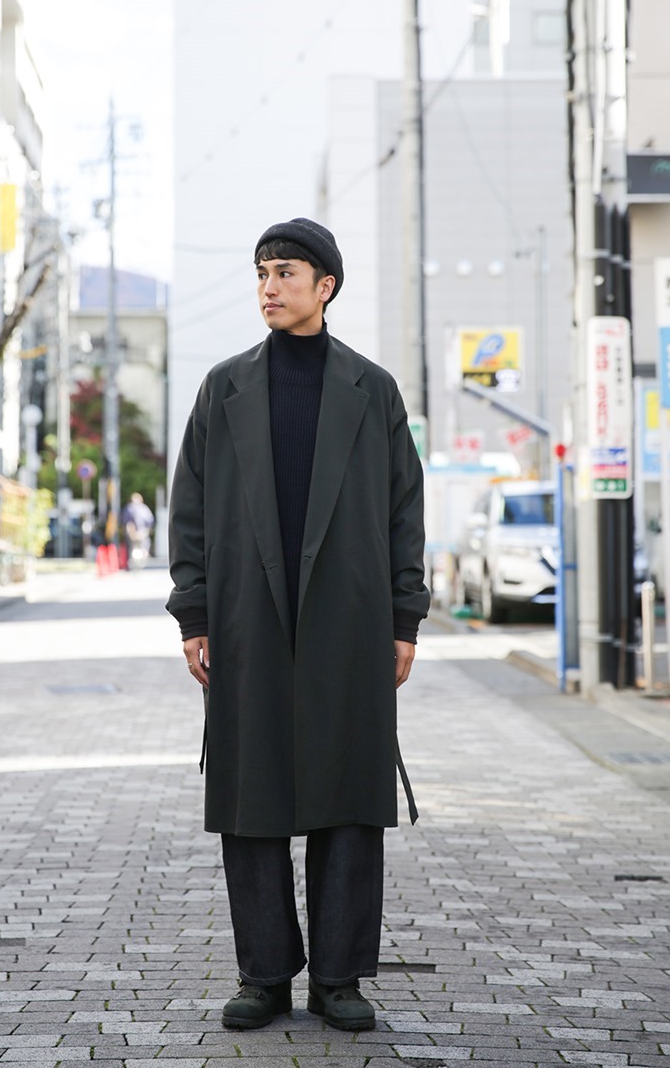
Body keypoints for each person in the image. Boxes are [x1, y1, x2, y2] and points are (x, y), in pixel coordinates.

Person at [166, 217, 429, 1032]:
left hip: (351, 622)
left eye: (284, 271)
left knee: (347, 796)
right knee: (252, 797)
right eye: (261, 272)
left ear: (326, 286)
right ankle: (265, 974)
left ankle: (339, 978)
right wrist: (194, 611)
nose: (269, 286)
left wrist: (405, 616)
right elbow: (190, 508)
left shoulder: (372, 390)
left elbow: (404, 510)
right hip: (245, 619)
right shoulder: (224, 389)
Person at [120, 492, 154, 567]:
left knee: (133, 546)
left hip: (134, 531)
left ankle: (133, 562)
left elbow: (125, 521)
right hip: (140, 531)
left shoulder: (129, 508)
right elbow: (150, 520)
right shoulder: (144, 508)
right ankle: (140, 561)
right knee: (142, 546)